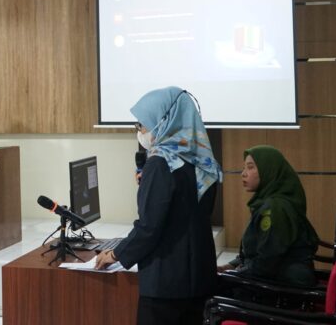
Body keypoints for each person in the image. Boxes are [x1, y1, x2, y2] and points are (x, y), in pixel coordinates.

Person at [94, 86, 222, 325]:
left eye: (141, 125)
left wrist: (115, 254)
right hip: (201, 275)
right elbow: (194, 212)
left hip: (166, 283)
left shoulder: (160, 163)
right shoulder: (204, 160)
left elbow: (149, 227)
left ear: (163, 122)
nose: (140, 132)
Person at [217, 145, 318, 287]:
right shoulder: (267, 202)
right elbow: (254, 253)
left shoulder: (275, 208)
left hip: (283, 286)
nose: (243, 173)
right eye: (244, 168)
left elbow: (266, 263)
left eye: (250, 167)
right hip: (274, 277)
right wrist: (229, 267)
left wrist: (234, 274)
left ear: (269, 171)